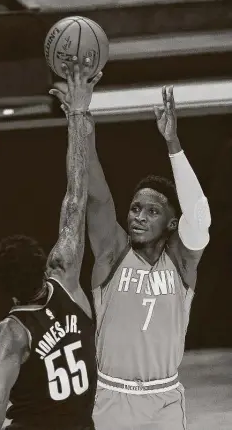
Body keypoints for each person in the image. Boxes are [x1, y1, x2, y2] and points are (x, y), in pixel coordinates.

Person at [0, 58, 102, 430]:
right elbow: (76, 196)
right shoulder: (66, 280)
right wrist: (79, 112)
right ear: (44, 264)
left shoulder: (9, 333)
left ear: (7, 293)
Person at [85, 86, 211, 430]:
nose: (138, 216)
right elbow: (95, 196)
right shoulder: (113, 254)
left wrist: (173, 145)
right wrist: (82, 121)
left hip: (164, 401)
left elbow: (199, 215)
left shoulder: (182, 264)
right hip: (110, 397)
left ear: (171, 223)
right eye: (135, 208)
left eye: (151, 211)